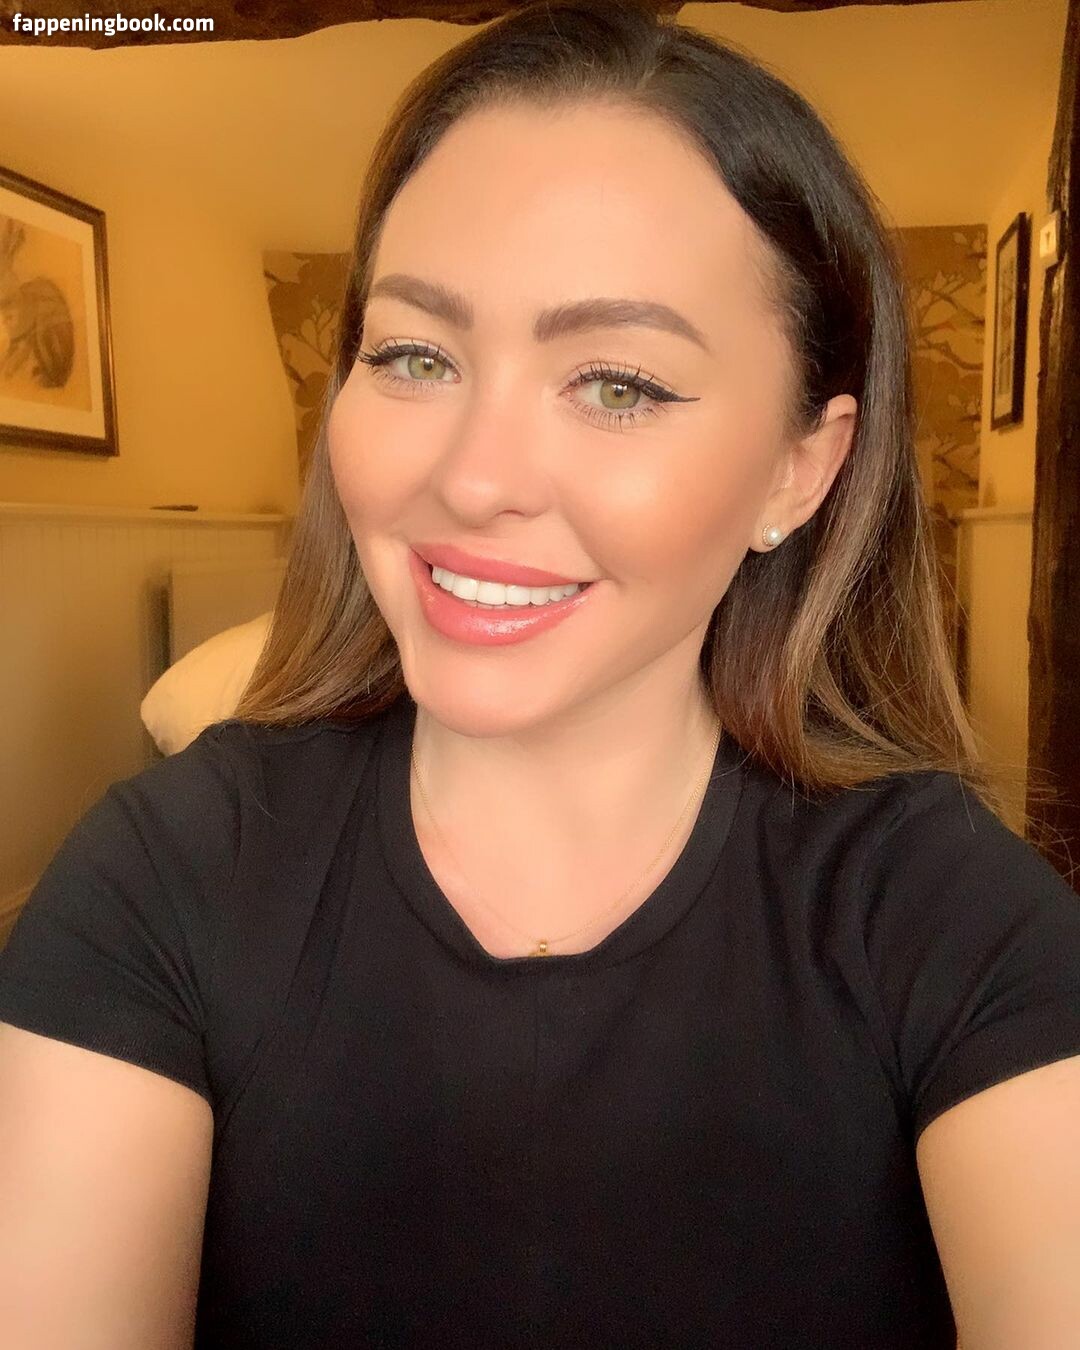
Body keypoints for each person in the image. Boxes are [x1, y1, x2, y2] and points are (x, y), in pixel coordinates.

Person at [2, 1, 1079, 1345]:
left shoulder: (944, 917)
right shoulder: (161, 879)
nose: (472, 478)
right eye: (416, 355)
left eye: (618, 382)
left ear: (801, 467)